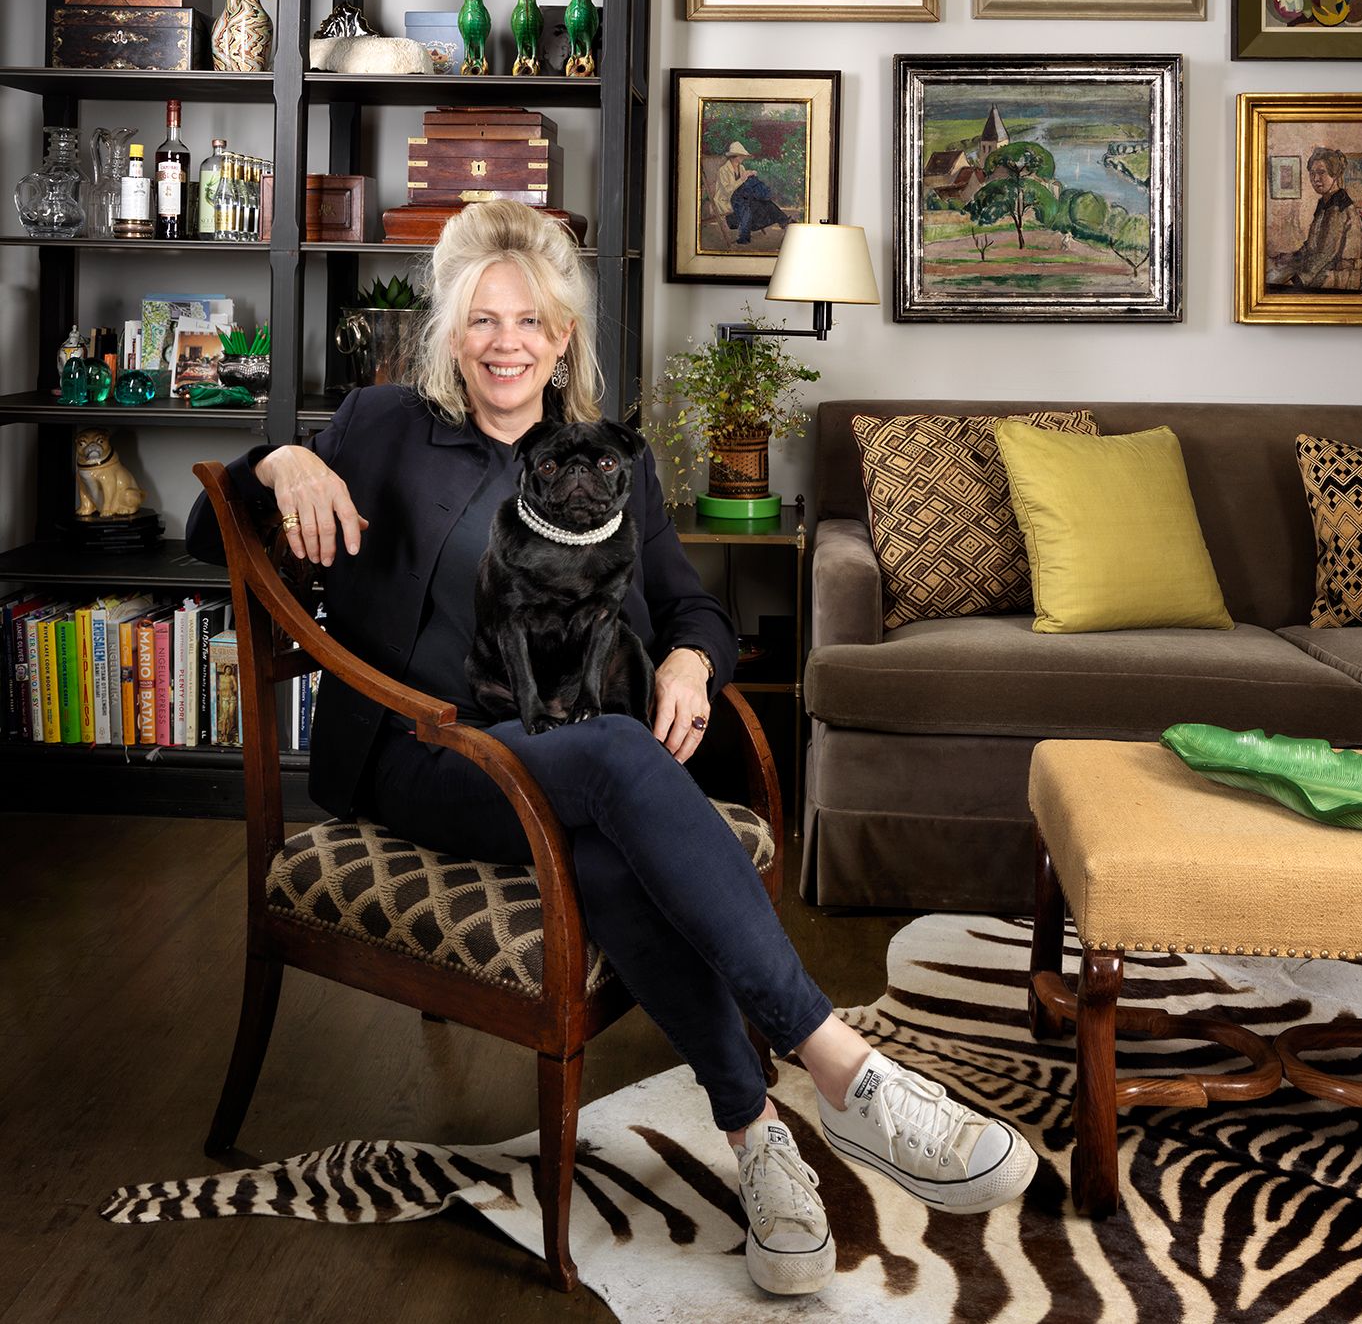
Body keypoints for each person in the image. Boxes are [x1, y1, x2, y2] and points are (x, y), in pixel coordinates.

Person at [185, 201, 1035, 1296]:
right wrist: (279, 463)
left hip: (551, 770)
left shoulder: (604, 465)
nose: (505, 341)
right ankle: (843, 1068)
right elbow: (213, 534)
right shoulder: (381, 422)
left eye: (529, 320)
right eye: (483, 319)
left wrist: (690, 663)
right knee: (618, 758)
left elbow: (693, 608)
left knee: (607, 845)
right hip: (418, 759)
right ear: (450, 332)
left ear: (563, 336)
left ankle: (756, 1136)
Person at [1265, 146, 1362, 291]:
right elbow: (1312, 246)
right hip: (1322, 272)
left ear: (1335, 174)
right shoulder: (1325, 203)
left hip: (1340, 280)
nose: (1315, 179)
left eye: (1321, 172)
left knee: (1275, 287)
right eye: (1312, 173)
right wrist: (1290, 257)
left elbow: (1324, 255)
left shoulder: (1338, 207)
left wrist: (1298, 280)